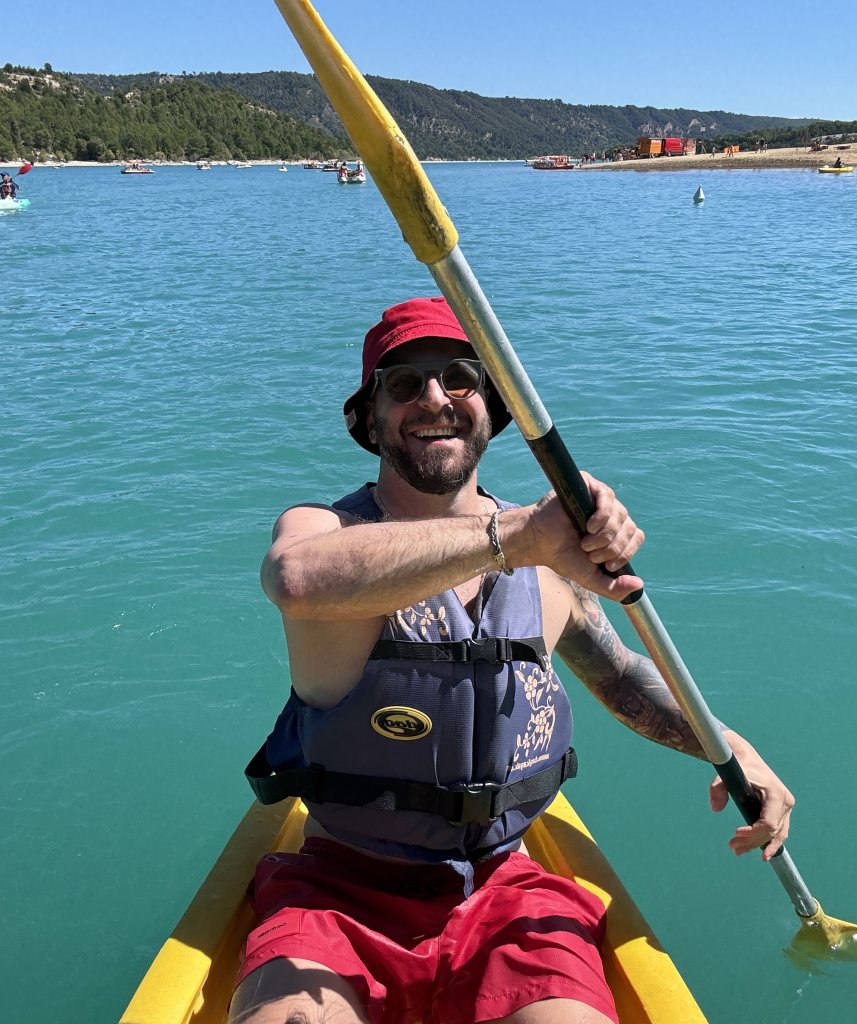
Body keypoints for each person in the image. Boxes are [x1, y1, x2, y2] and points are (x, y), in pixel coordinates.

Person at [234, 297, 794, 1024]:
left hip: (506, 893)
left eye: (460, 378)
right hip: (338, 894)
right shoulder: (325, 530)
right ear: (369, 419)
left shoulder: (550, 557)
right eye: (403, 383)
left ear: (493, 409)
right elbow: (296, 579)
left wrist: (733, 749)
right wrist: (520, 535)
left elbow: (621, 677)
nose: (434, 398)